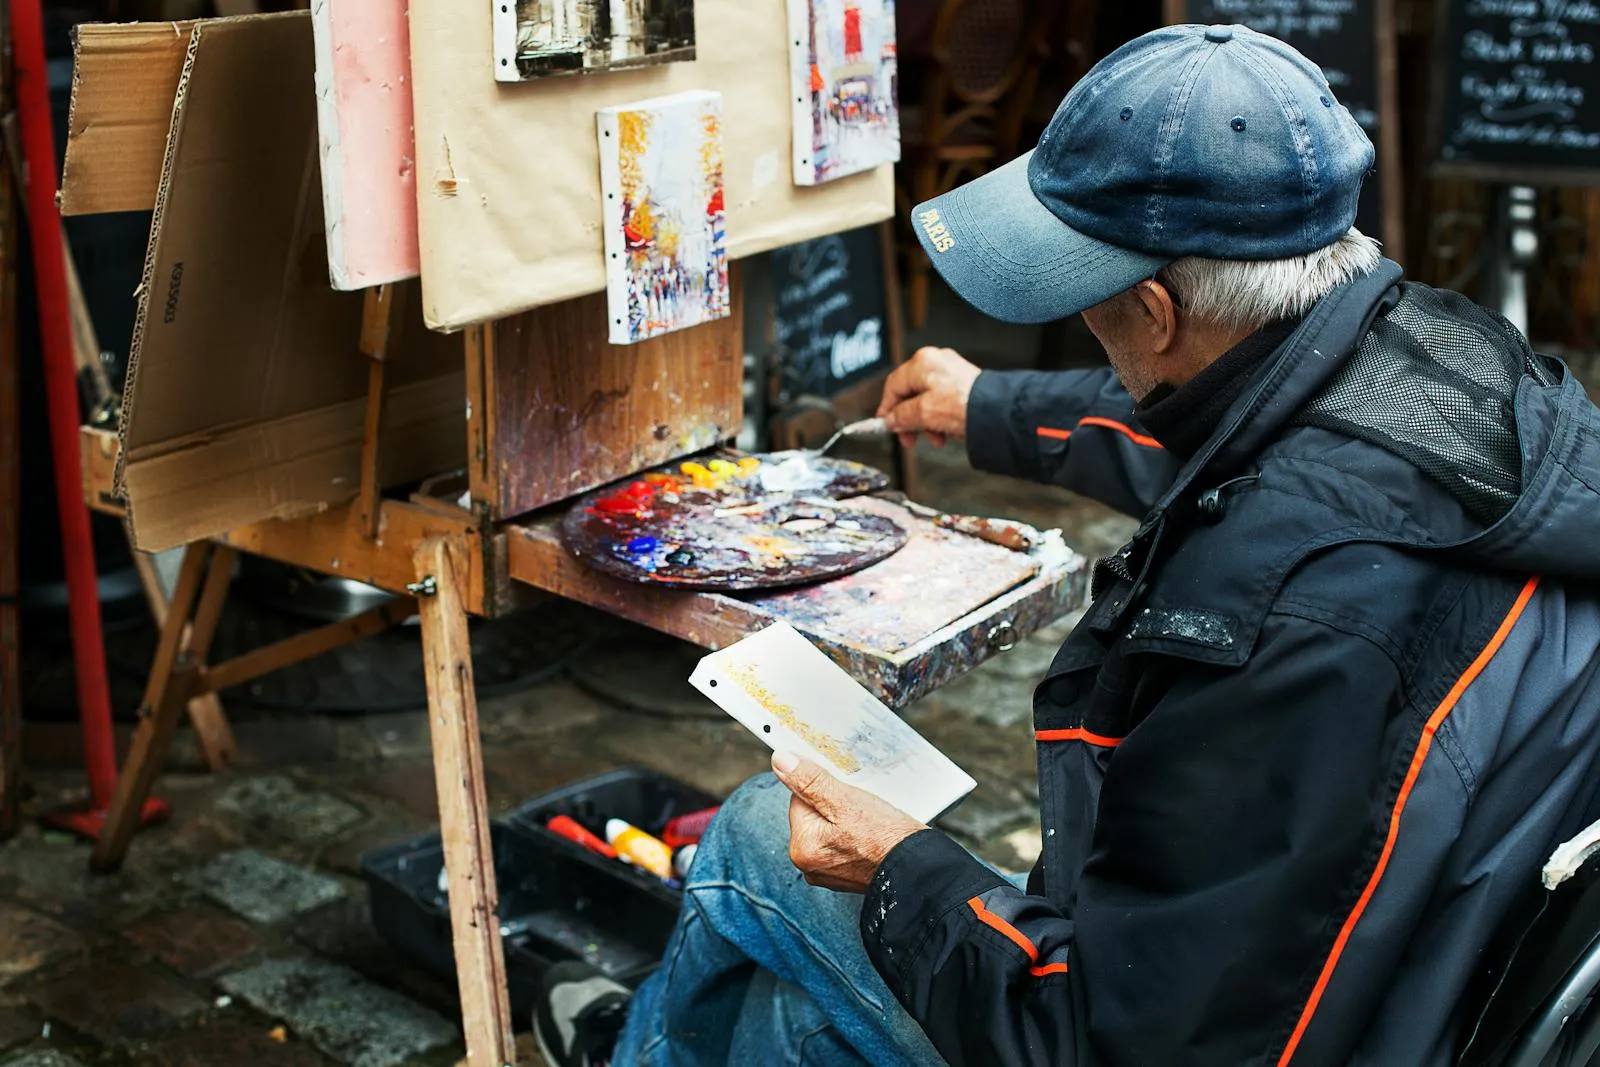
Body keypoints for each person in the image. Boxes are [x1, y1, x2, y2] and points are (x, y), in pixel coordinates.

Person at [535, 23, 1600, 1067]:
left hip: (1297, 1017)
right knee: (792, 1020)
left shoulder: (1279, 617)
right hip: (1425, 952)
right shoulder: (1443, 361)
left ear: (1150, 308)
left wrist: (898, 863)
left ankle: (630, 1043)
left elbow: (1101, 1037)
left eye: (1088, 301)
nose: (1089, 323)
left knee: (767, 830)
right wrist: (986, 404)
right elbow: (1217, 428)